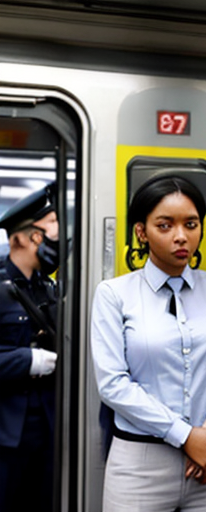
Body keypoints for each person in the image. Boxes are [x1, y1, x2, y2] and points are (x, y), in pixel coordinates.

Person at [91, 174, 206, 512]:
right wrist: (186, 436)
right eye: (165, 225)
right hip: (139, 465)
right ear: (141, 232)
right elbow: (113, 384)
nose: (181, 236)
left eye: (191, 224)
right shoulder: (114, 294)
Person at [0, 182, 59, 512]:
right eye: (47, 228)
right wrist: (27, 360)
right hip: (6, 436)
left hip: (50, 430)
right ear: (21, 238)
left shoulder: (50, 290)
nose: (55, 236)